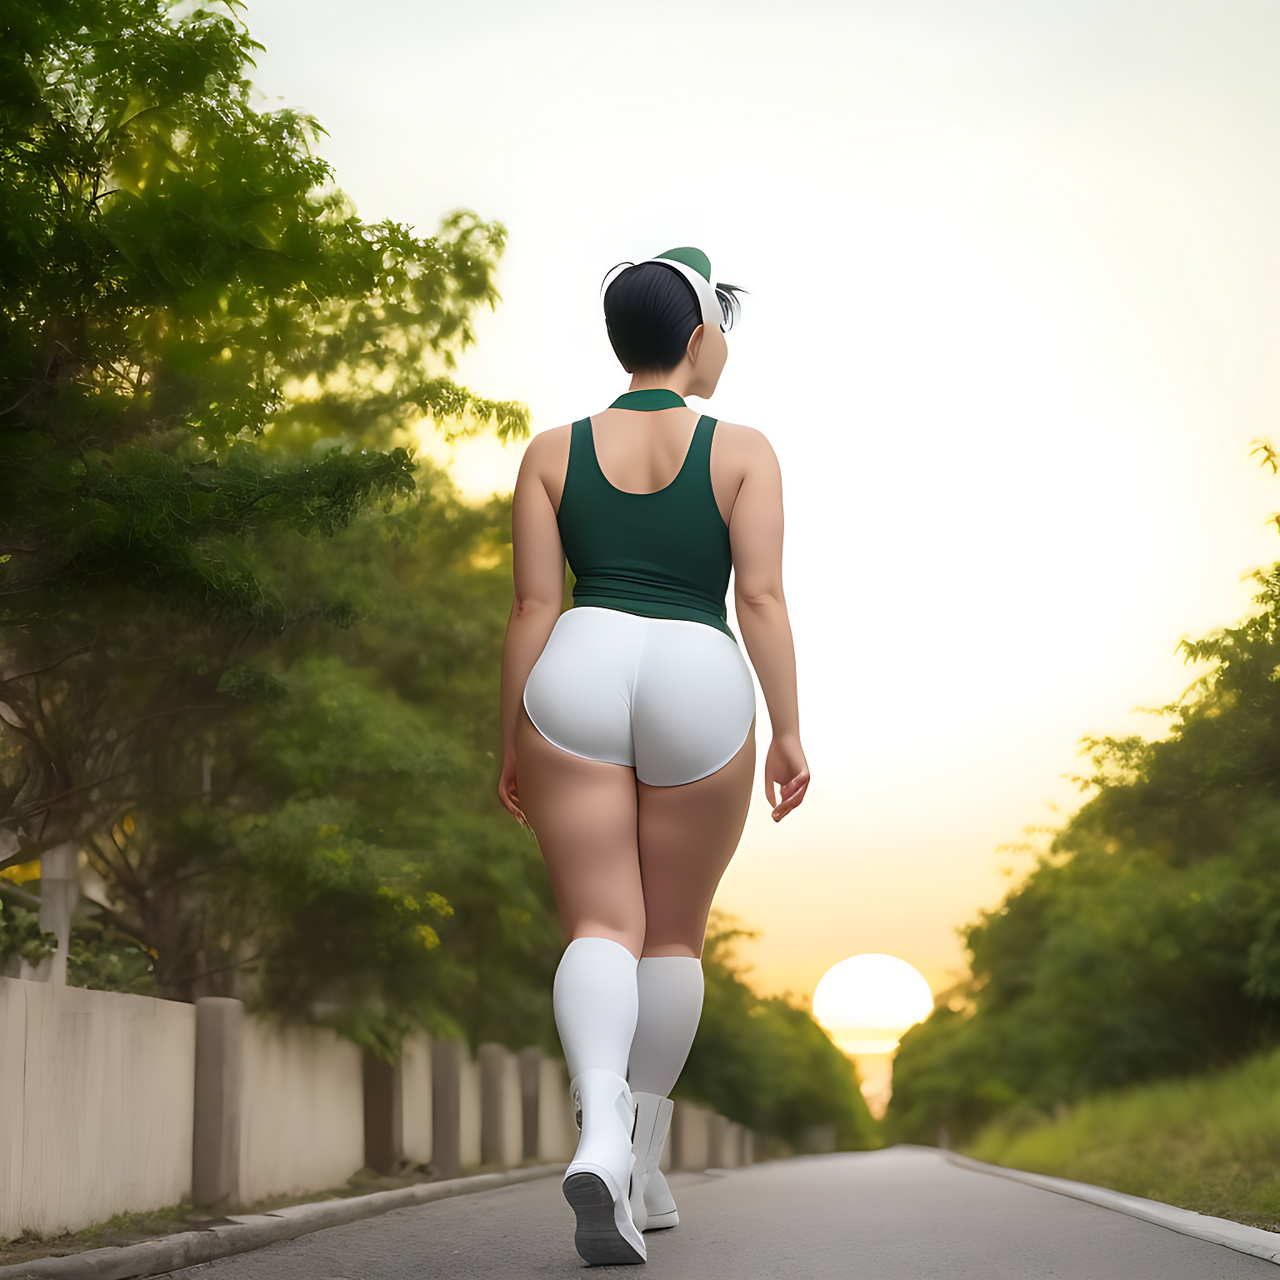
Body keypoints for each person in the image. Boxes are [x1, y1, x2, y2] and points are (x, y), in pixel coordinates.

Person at [498, 247, 809, 1266]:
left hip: (576, 666)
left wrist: (512, 733)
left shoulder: (551, 451)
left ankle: (601, 1137)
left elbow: (532, 605)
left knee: (600, 923)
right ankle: (633, 1159)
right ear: (698, 338)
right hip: (696, 670)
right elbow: (759, 596)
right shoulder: (743, 450)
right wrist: (788, 728)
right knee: (670, 935)